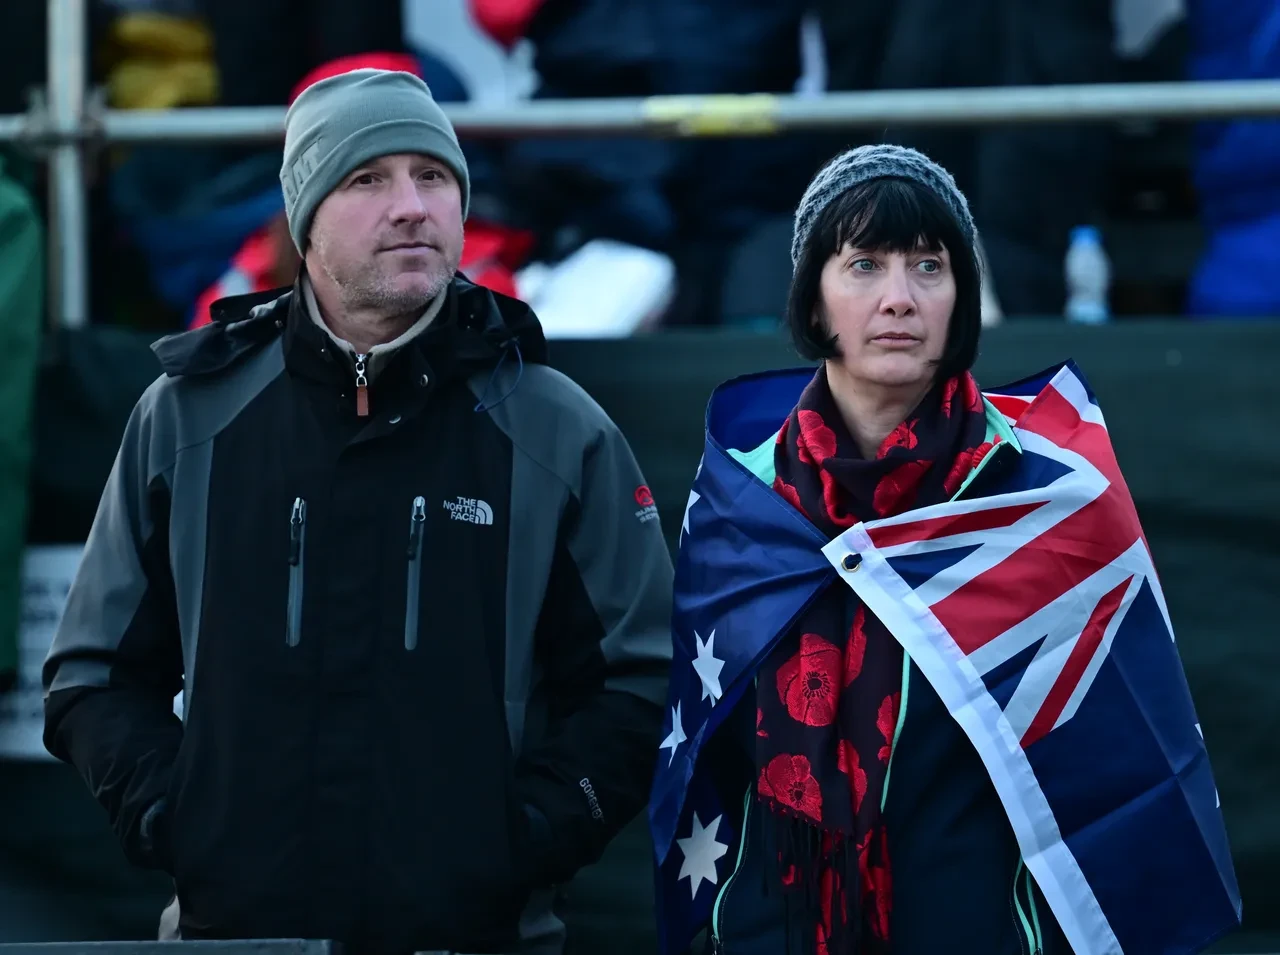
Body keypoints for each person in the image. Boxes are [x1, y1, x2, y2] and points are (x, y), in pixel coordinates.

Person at [42, 68, 673, 955]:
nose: (412, 206)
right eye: (368, 178)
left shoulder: (558, 428)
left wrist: (524, 834)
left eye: (435, 176)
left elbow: (640, 684)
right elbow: (92, 676)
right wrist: (176, 816)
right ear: (304, 218)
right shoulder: (188, 417)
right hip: (236, 938)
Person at [649, 144, 1239, 955]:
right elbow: (705, 758)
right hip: (774, 927)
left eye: (928, 266)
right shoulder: (742, 497)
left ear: (962, 298)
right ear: (814, 300)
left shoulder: (1048, 490)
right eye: (863, 265)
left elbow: (1131, 762)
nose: (898, 298)